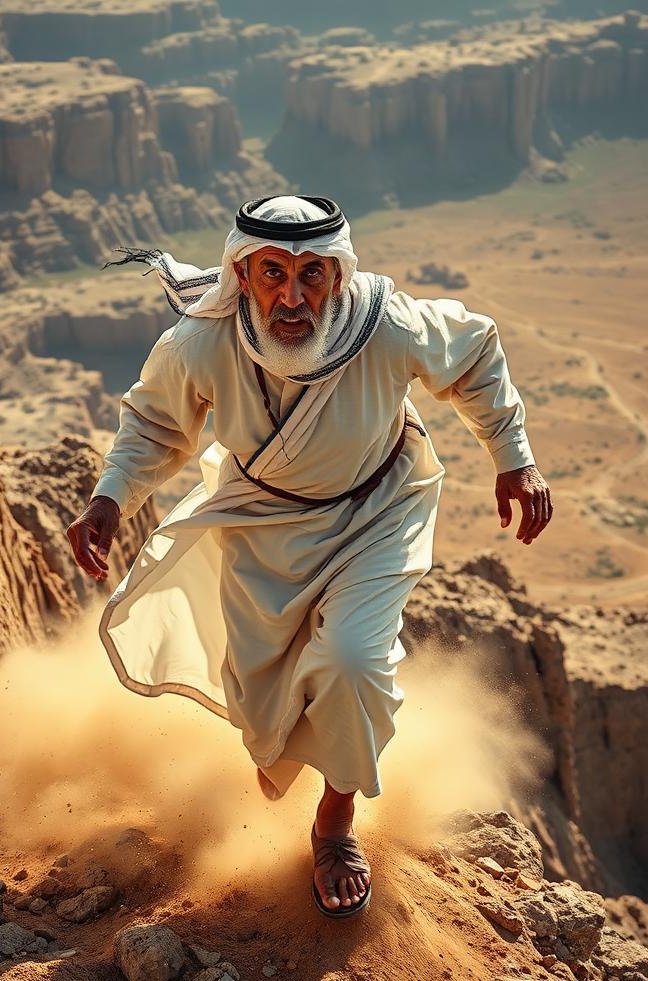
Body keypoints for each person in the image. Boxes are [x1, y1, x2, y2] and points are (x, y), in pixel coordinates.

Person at [65, 195, 552, 918]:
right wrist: (110, 499)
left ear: (338, 275)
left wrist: (513, 458)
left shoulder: (382, 325)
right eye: (272, 274)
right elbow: (154, 422)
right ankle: (286, 752)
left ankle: (335, 823)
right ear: (244, 273)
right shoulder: (204, 344)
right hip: (262, 523)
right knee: (265, 721)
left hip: (377, 512)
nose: (292, 297)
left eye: (312, 275)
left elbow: (474, 348)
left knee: (353, 659)